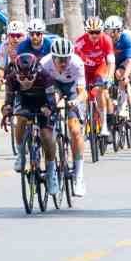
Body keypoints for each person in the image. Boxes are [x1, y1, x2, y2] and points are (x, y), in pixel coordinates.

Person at [42, 36, 90, 196]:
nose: (63, 63)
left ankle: (79, 176)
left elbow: (83, 92)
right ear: (53, 57)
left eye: (66, 59)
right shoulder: (44, 64)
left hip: (72, 88)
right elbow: (44, 91)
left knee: (75, 131)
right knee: (53, 103)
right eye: (59, 59)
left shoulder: (76, 63)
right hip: (53, 85)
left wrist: (75, 101)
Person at [74, 18, 115, 145]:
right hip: (84, 70)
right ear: (87, 32)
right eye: (91, 32)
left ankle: (104, 128)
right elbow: (74, 63)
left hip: (99, 68)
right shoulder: (80, 42)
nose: (94, 35)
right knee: (83, 95)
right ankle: (84, 121)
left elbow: (111, 62)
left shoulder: (106, 40)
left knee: (99, 92)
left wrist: (109, 77)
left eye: (97, 32)